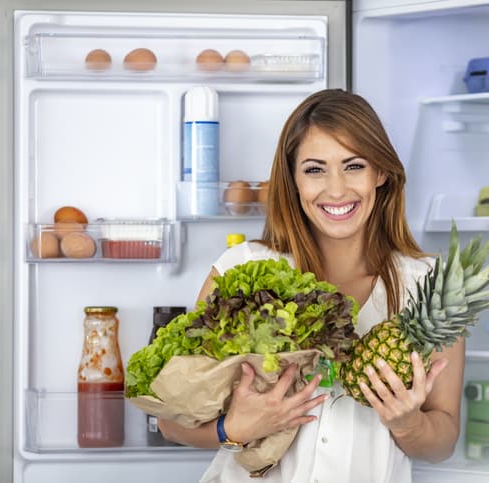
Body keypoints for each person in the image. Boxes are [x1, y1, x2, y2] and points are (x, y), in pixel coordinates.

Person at [159, 88, 465, 482]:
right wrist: (233, 428)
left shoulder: (431, 287)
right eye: (315, 169)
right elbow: (171, 421)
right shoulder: (243, 270)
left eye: (353, 166)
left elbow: (443, 440)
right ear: (293, 180)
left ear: (381, 172)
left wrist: (409, 424)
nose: (336, 190)